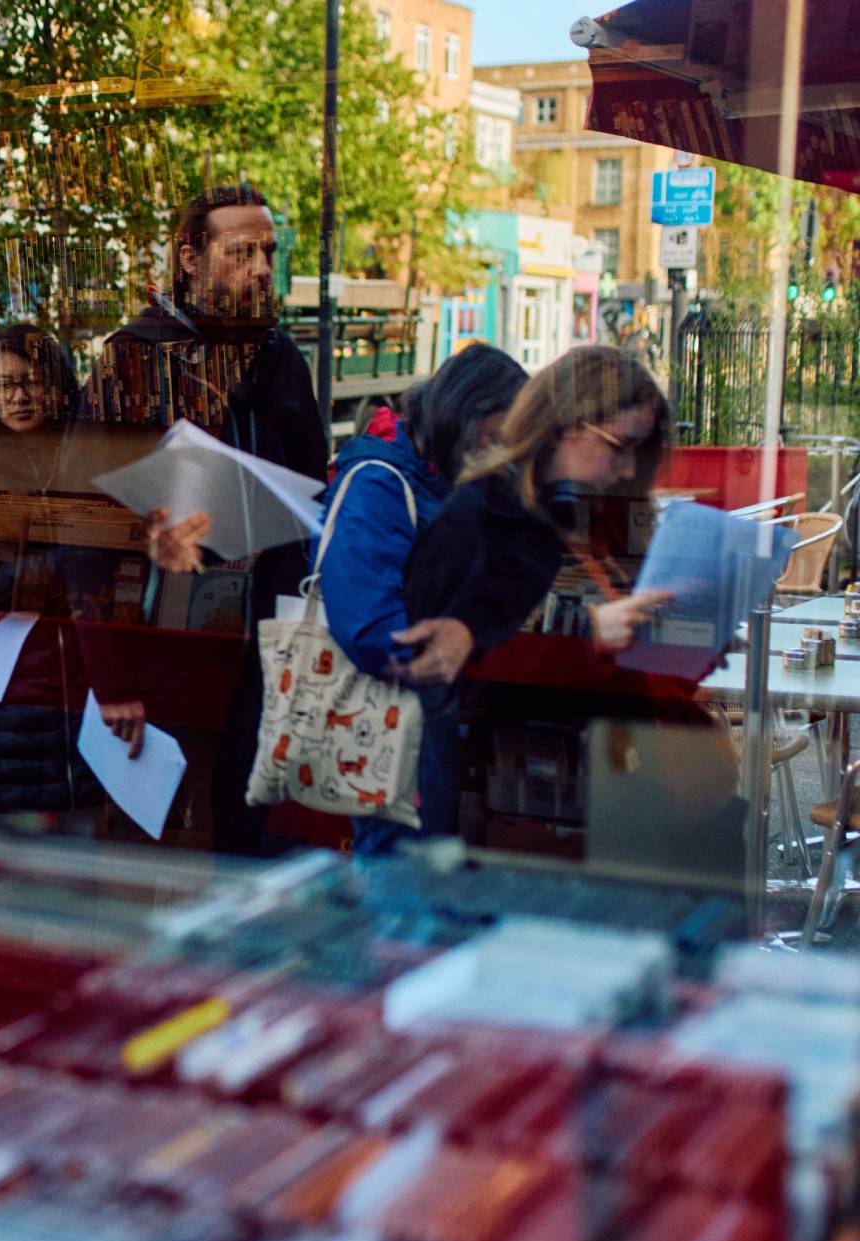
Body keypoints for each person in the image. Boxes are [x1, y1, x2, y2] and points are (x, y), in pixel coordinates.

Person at [81, 184, 326, 849]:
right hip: (158, 653)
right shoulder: (133, 359)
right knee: (155, 847)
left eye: (269, 253)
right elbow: (84, 526)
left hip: (255, 652)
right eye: (242, 252)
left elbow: (310, 494)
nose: (262, 270)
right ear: (190, 259)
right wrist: (114, 676)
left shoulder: (281, 360)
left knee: (240, 834)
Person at [389, 346, 677, 838]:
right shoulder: (476, 522)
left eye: (641, 451)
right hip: (506, 813)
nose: (628, 468)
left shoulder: (590, 515)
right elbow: (438, 681)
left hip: (608, 792)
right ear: (562, 426)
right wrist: (585, 636)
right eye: (618, 445)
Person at [309, 344, 527, 857]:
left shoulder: (435, 481)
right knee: (397, 876)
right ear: (460, 419)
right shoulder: (379, 485)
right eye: (493, 439)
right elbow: (370, 627)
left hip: (419, 721)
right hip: (386, 726)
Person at [0, 325, 138, 836]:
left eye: (31, 382)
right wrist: (80, 560)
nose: (18, 397)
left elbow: (124, 572)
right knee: (8, 875)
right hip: (9, 701)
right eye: (4, 385)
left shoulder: (90, 465)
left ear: (58, 386)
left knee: (81, 869)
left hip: (85, 686)